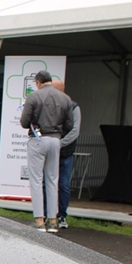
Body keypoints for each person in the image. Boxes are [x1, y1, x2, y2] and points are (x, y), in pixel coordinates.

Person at [20, 70, 73, 233]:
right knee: (52, 180)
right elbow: (70, 125)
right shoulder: (65, 98)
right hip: (55, 140)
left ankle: (39, 220)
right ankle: (53, 221)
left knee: (36, 180)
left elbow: (24, 122)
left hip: (37, 139)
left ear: (38, 82)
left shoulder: (34, 97)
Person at [51, 79, 81, 228]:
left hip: (65, 152)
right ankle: (48, 214)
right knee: (48, 183)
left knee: (63, 184)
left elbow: (75, 131)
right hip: (51, 152)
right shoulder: (48, 105)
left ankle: (61, 215)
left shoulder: (74, 107)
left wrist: (59, 144)